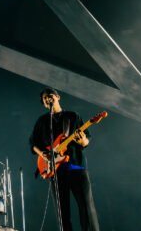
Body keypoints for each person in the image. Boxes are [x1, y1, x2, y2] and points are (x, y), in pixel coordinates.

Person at [29, 87, 100, 231]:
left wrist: (82, 140)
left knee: (86, 208)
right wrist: (43, 154)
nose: (47, 99)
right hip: (55, 171)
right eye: (44, 98)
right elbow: (33, 143)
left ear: (58, 97)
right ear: (44, 104)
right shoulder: (42, 121)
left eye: (50, 95)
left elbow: (86, 140)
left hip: (76, 166)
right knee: (62, 214)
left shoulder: (73, 116)